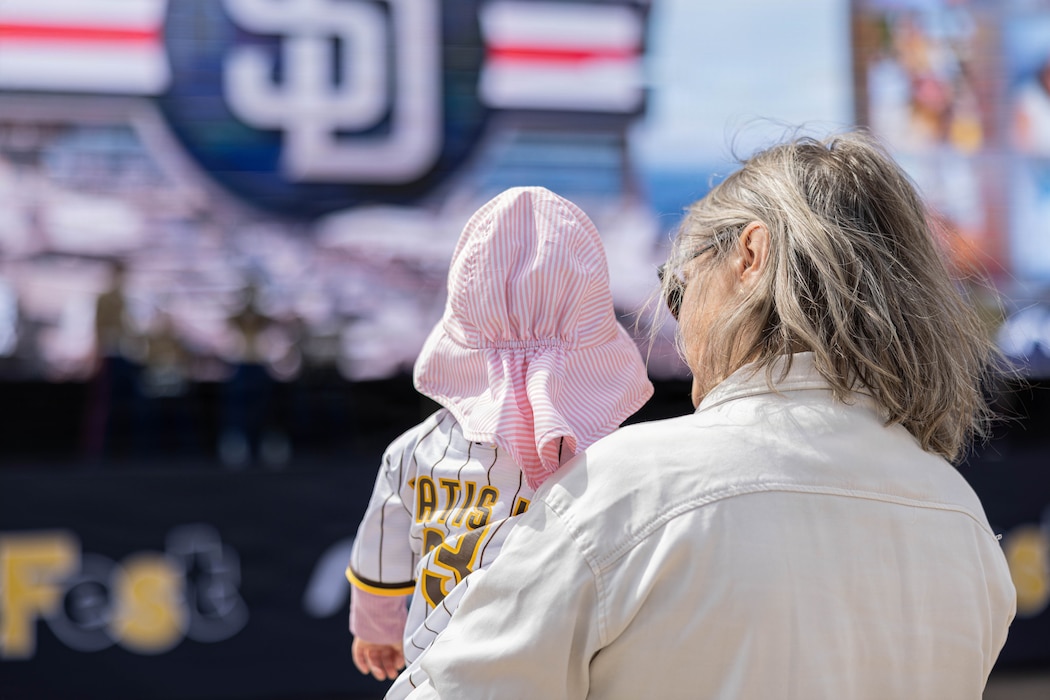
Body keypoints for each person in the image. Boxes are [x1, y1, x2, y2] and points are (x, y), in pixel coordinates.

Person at [402, 131, 1017, 699]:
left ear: (750, 256)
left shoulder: (625, 488)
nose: (676, 320)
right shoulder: (961, 517)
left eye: (676, 285)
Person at [344, 187, 654, 695]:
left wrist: (375, 630)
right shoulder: (619, 458)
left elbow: (377, 564)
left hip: (440, 682)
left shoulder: (410, 453)